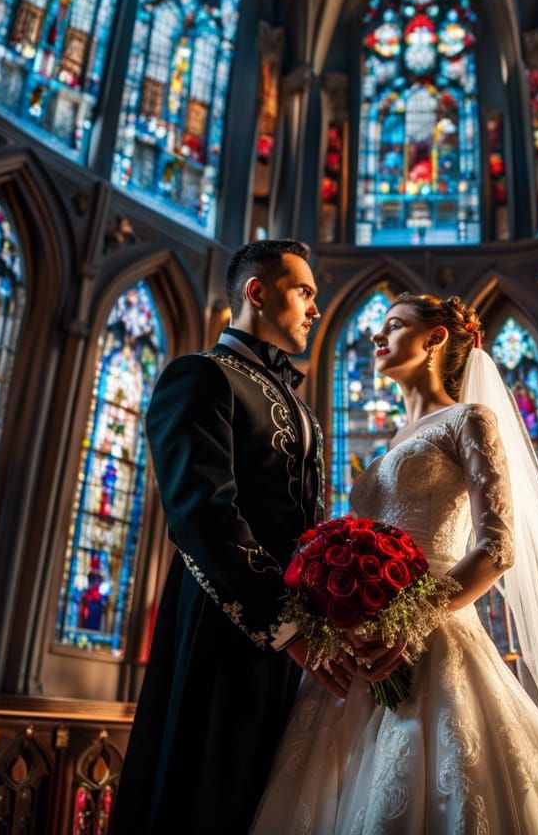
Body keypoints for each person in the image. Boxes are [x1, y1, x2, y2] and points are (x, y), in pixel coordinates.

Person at [252, 293, 538, 834]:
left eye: (394, 326)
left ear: (435, 339)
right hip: (360, 654)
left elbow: (498, 547)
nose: (377, 338)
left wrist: (408, 622)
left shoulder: (469, 420)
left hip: (434, 638)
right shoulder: (387, 447)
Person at [112, 240, 350, 835]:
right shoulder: (198, 376)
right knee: (207, 792)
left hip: (295, 636)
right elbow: (202, 514)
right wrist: (286, 627)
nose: (315, 308)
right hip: (221, 621)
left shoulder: (301, 405)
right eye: (304, 292)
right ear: (256, 292)